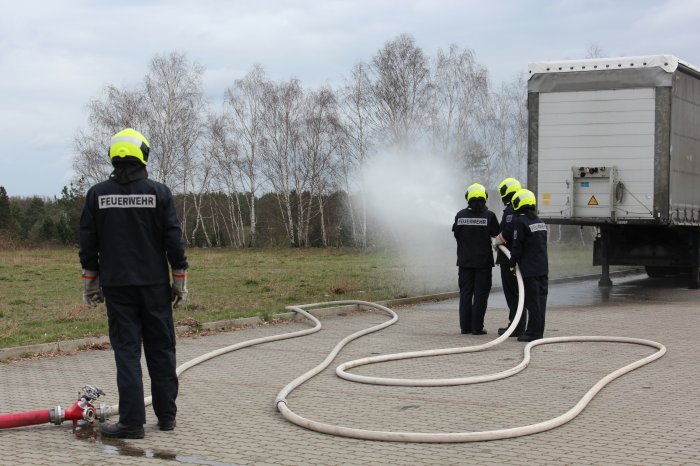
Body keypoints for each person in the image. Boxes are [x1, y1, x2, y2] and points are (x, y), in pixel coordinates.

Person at [79, 128, 189, 439]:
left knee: (127, 353)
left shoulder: (97, 195)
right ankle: (166, 418)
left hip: (117, 287)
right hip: (154, 286)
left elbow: (88, 242)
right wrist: (179, 280)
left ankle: (131, 423)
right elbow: (173, 239)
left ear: (113, 155)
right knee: (162, 350)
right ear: (143, 154)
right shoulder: (159, 193)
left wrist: (90, 282)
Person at [452, 183, 500, 335]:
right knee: (480, 295)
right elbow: (497, 235)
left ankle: (465, 327)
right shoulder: (490, 216)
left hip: (464, 262)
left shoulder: (460, 215)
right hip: (483, 264)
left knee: (466, 294)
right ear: (485, 198)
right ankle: (477, 328)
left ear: (468, 198)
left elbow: (456, 234)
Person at [508, 188, 548, 342]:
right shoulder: (540, 222)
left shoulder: (520, 222)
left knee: (532, 302)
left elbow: (517, 245)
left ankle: (532, 333)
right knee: (541, 302)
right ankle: (539, 331)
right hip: (542, 268)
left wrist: (512, 263)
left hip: (529, 270)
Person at [493, 177, 525, 337]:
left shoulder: (511, 210)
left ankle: (516, 326)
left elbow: (508, 231)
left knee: (513, 294)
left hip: (509, 259)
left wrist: (497, 240)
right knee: (516, 293)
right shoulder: (517, 208)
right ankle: (516, 325)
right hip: (514, 257)